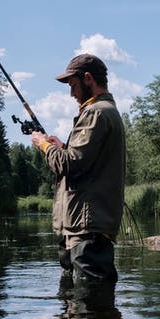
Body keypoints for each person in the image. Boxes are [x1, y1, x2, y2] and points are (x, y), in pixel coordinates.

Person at [31, 53, 125, 284]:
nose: (71, 94)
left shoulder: (97, 112)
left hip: (87, 228)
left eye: (73, 85)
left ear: (88, 79)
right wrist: (62, 146)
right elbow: (86, 161)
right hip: (83, 226)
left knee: (90, 304)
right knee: (77, 307)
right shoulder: (103, 112)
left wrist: (43, 145)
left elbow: (68, 164)